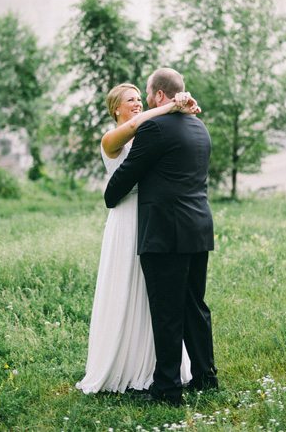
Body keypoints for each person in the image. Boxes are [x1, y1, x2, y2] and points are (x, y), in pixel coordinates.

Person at [104, 68, 218, 406]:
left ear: (156, 96)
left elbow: (127, 175)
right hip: (198, 228)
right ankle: (205, 377)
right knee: (195, 306)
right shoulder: (200, 128)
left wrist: (110, 196)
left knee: (167, 311)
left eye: (144, 96)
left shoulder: (154, 128)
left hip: (165, 233)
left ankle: (167, 387)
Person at [77, 82, 197, 395]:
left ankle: (150, 364)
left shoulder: (146, 135)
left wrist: (184, 111)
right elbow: (133, 125)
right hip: (124, 221)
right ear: (116, 108)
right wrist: (170, 106)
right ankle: (119, 365)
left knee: (151, 296)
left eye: (140, 99)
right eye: (131, 100)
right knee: (123, 288)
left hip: (150, 219)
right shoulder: (111, 139)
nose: (138, 103)